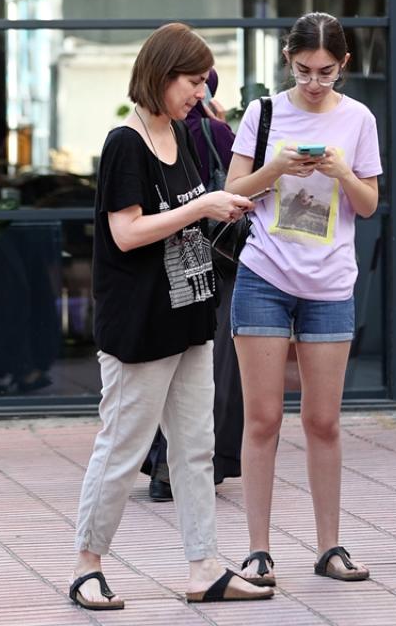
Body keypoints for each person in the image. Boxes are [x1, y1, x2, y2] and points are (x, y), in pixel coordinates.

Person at [70, 23, 272, 609]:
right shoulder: (124, 144)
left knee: (195, 449)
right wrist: (202, 206)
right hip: (139, 328)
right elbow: (126, 232)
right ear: (160, 76)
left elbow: (180, 220)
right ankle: (87, 565)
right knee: (124, 446)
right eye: (191, 80)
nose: (200, 90)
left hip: (188, 317)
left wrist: (218, 209)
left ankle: (203, 566)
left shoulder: (180, 136)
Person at [225, 12, 382, 586]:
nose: (315, 83)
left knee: (323, 421)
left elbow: (367, 205)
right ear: (288, 61)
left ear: (343, 65)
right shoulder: (263, 112)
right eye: (303, 70)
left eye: (326, 72)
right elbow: (232, 191)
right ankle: (259, 550)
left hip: (331, 284)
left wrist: (340, 170)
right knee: (262, 419)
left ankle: (329, 547)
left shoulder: (358, 119)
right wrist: (275, 167)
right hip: (264, 274)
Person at [141, 68, 245, 500]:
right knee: (210, 360)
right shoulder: (216, 132)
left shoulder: (153, 132)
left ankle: (161, 463)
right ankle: (189, 465)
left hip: (164, 253)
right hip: (213, 257)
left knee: (169, 356)